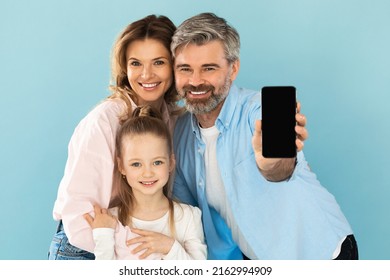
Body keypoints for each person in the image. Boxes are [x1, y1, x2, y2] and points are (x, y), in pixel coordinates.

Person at [171, 12, 358, 260]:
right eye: (185, 69)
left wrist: (270, 160)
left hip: (320, 254)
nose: (195, 81)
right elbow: (187, 214)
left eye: (209, 68)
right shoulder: (179, 133)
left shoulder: (258, 110)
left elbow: (279, 169)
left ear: (233, 68)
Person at [49, 14, 183, 260]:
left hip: (140, 248)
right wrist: (150, 247)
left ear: (175, 65)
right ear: (124, 67)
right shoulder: (103, 122)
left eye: (159, 62)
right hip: (85, 250)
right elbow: (79, 219)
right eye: (135, 63)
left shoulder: (174, 120)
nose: (147, 74)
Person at [83, 106, 207, 260]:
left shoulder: (189, 217)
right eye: (136, 164)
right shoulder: (111, 220)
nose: (147, 173)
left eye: (157, 162)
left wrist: (169, 247)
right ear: (121, 166)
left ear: (171, 163)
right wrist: (103, 235)